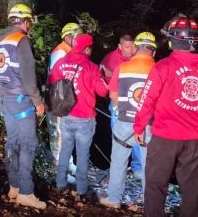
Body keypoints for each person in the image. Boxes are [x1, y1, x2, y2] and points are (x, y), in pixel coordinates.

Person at [133, 14, 198, 217]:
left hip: (165, 137)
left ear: (172, 40)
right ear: (195, 43)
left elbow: (147, 99)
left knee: (156, 185)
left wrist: (139, 126)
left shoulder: (162, 67)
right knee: (192, 189)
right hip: (196, 138)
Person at [0, 3, 47, 209]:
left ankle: (13, 186)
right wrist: (38, 101)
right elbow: (28, 75)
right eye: (29, 22)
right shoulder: (21, 40)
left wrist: (1, 96)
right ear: (25, 22)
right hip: (22, 100)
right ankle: (26, 192)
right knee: (28, 145)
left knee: (12, 143)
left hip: (5, 100)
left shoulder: (0, 42)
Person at [100, 32, 157, 209]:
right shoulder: (159, 68)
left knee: (118, 162)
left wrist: (125, 107)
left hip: (124, 122)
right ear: (153, 52)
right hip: (148, 125)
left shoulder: (122, 67)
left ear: (136, 48)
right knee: (150, 167)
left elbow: (113, 93)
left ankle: (114, 199)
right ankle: (150, 203)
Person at [47, 34, 108, 197]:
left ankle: (60, 183)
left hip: (65, 115)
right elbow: (103, 91)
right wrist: (103, 76)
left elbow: (50, 82)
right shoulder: (91, 67)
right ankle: (81, 189)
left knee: (65, 150)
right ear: (87, 49)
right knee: (82, 154)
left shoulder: (61, 63)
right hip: (85, 117)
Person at [100, 34, 145, 179]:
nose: (131, 50)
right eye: (127, 47)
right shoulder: (111, 59)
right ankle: (119, 170)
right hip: (118, 102)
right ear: (119, 47)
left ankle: (138, 168)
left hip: (136, 101)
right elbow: (107, 80)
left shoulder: (138, 57)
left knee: (139, 135)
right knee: (120, 137)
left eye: (133, 46)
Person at [46, 23, 83, 178]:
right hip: (58, 98)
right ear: (68, 37)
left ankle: (68, 163)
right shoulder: (60, 53)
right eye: (76, 37)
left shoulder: (68, 51)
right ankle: (60, 169)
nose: (78, 40)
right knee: (59, 133)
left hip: (65, 98)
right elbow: (58, 79)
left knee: (66, 132)